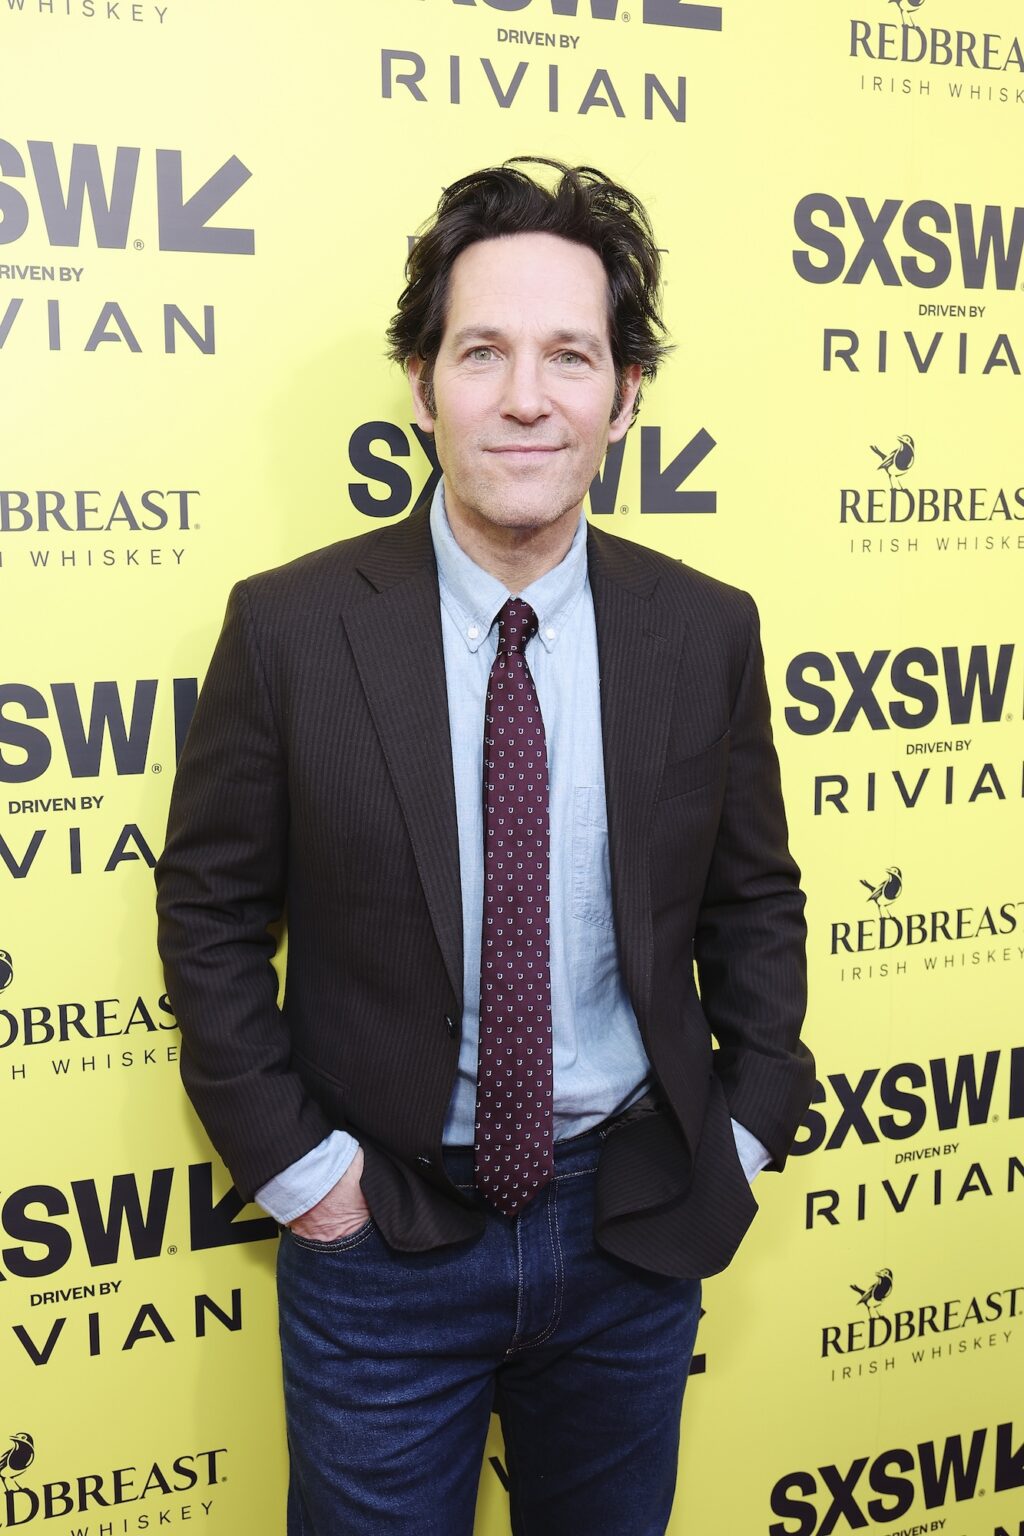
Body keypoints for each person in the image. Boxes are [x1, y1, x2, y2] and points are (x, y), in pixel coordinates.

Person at [155, 158, 813, 1536]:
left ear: (626, 396)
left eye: (570, 356)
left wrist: (743, 1135)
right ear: (419, 382)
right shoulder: (287, 629)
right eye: (483, 352)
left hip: (634, 1225)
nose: (527, 397)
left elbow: (754, 903)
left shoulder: (705, 629)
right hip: (380, 1234)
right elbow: (209, 916)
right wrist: (305, 1182)